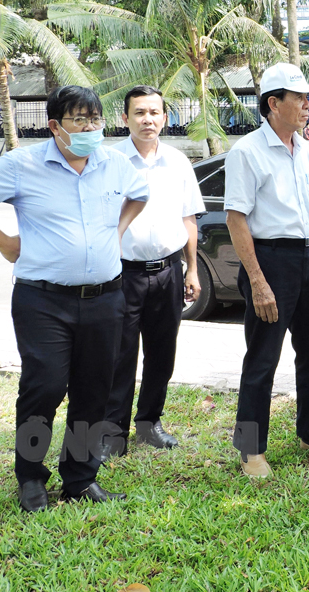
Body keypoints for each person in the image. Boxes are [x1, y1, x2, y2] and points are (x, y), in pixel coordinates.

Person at [0, 85, 149, 512]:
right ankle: (31, 480)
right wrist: (4, 243)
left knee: (94, 393)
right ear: (56, 126)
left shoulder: (113, 163)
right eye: (81, 121)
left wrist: (116, 232)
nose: (92, 129)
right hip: (43, 301)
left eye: (96, 120)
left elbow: (140, 195)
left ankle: (80, 479)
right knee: (44, 388)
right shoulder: (22, 165)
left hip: (106, 298)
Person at [224, 62, 309, 478]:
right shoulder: (247, 152)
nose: (306, 105)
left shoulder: (304, 148)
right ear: (272, 103)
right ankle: (250, 449)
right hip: (270, 260)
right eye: (298, 98)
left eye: (308, 97)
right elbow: (236, 219)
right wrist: (259, 280)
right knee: (262, 357)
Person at [100, 86, 206, 461]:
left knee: (162, 353)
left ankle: (149, 424)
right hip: (120, 274)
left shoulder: (178, 162)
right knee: (120, 354)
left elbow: (189, 217)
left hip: (168, 272)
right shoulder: (108, 160)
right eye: (139, 113)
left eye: (155, 112)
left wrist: (192, 269)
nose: (148, 119)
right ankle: (113, 432)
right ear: (125, 118)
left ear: (165, 117)